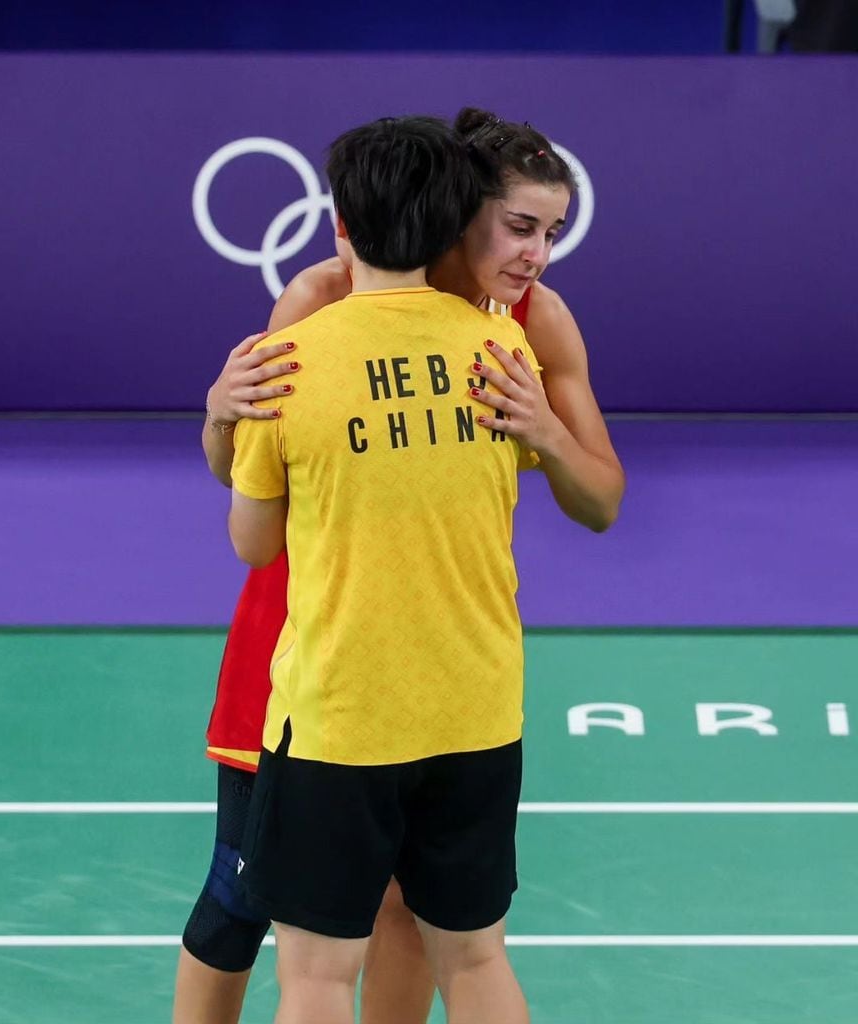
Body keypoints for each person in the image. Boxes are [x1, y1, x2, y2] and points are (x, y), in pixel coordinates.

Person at [173, 109, 625, 1024]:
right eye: (521, 228)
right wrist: (220, 413)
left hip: (427, 654)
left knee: (403, 920)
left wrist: (543, 429)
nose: (538, 255)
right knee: (239, 895)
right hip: (305, 632)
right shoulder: (317, 302)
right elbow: (261, 469)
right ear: (458, 216)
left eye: (553, 232)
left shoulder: (532, 325)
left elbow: (603, 497)